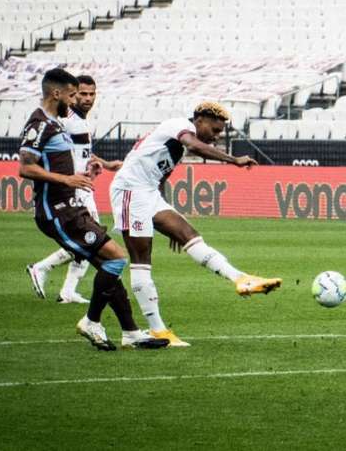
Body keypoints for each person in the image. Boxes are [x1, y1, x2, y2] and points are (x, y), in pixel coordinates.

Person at [109, 102, 282, 347]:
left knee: (188, 233)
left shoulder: (177, 147)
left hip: (148, 194)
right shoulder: (179, 126)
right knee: (142, 258)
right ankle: (158, 330)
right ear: (199, 120)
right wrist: (233, 160)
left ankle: (240, 278)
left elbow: (160, 178)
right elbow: (194, 145)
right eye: (215, 129)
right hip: (129, 191)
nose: (216, 136)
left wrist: (165, 218)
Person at [18, 68, 168, 350]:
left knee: (108, 267)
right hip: (57, 211)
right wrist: (67, 179)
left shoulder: (56, 123)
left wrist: (88, 167)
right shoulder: (40, 125)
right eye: (73, 95)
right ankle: (91, 321)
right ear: (56, 93)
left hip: (71, 206)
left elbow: (60, 160)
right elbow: (25, 167)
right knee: (115, 259)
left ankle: (131, 333)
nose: (75, 101)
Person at [26, 75, 122, 304]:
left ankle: (68, 291)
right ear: (73, 94)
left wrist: (105, 164)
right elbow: (57, 151)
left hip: (83, 184)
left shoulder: (81, 120)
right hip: (72, 188)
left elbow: (80, 152)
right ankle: (41, 267)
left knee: (91, 239)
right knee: (93, 239)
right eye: (83, 94)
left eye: (92, 94)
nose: (88, 98)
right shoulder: (66, 119)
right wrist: (68, 177)